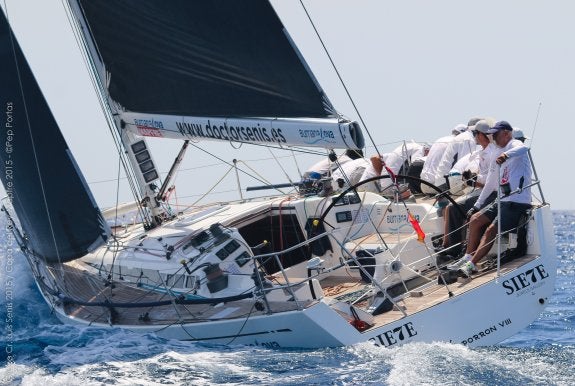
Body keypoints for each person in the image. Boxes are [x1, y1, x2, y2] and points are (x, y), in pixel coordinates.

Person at [450, 120, 531, 277]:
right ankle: (467, 257)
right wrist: (477, 205)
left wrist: (506, 155)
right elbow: (490, 182)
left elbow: (524, 148)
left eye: (496, 134)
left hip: (516, 201)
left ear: (507, 133)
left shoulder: (514, 144)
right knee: (474, 219)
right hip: (502, 199)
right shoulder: (496, 152)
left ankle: (471, 265)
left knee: (491, 230)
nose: (492, 137)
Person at [438, 120, 496, 256]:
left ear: (482, 135)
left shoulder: (492, 153)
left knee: (454, 208)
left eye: (476, 133)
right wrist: (472, 179)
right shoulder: (483, 152)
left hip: (491, 194)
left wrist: (474, 180)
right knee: (452, 207)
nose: (475, 136)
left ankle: (454, 250)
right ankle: (453, 248)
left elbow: (492, 183)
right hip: (483, 192)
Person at [430, 117, 483, 193]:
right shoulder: (468, 140)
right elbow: (466, 167)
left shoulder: (465, 136)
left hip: (441, 181)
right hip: (446, 183)